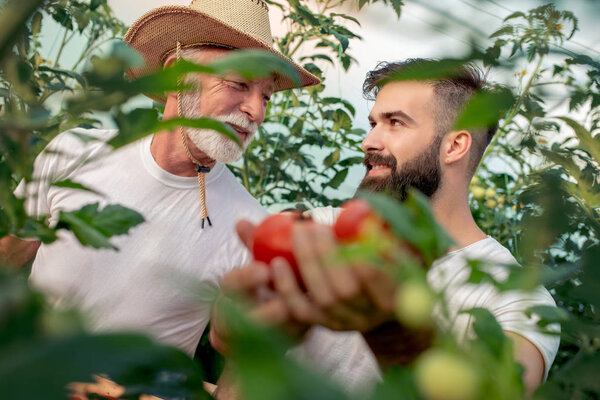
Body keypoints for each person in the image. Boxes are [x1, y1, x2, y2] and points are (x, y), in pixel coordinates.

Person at [209, 59, 559, 397]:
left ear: (455, 145)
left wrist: (391, 333)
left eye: (395, 123)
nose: (369, 142)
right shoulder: (318, 231)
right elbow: (230, 344)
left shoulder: (516, 298)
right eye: (373, 123)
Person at [0, 0, 318, 367]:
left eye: (265, 96)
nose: (257, 112)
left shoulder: (248, 226)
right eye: (239, 84)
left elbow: (240, 349)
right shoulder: (72, 153)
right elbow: (8, 257)